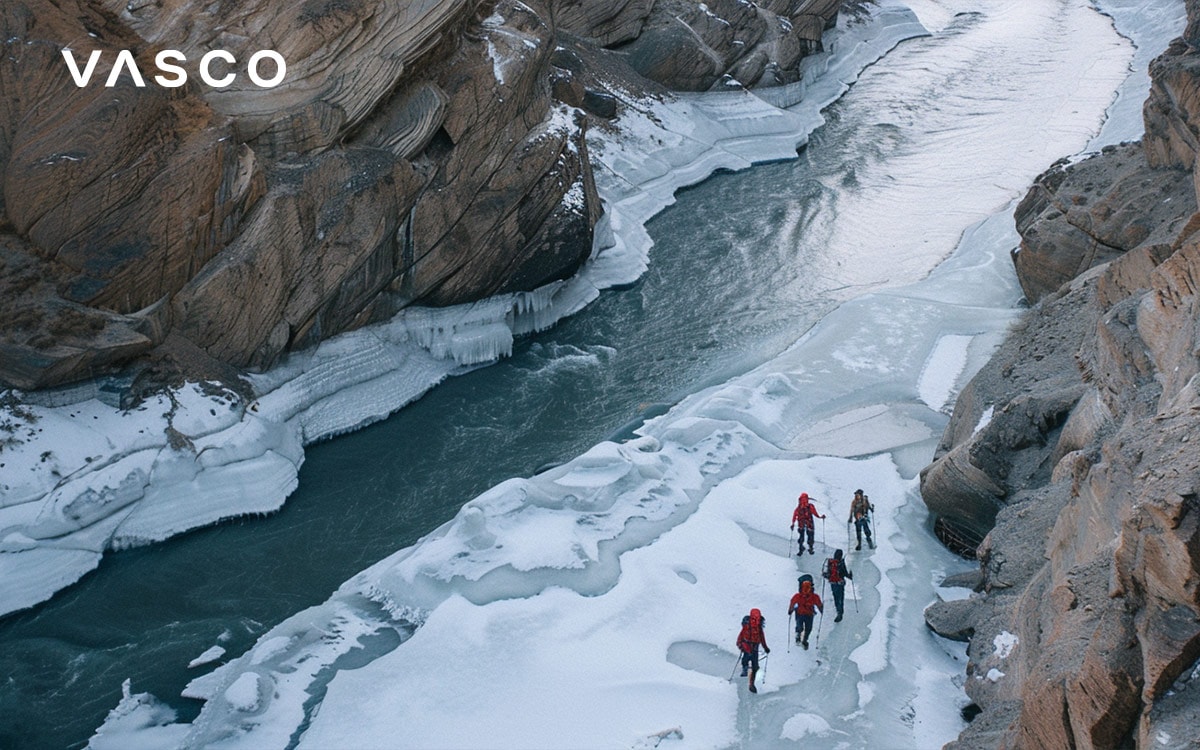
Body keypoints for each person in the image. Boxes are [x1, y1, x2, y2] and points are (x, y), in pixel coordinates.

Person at [737, 608, 770, 692]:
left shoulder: (750, 626)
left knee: (749, 661)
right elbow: (762, 638)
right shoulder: (753, 626)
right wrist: (765, 647)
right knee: (754, 665)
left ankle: (747, 674)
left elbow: (741, 636)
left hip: (749, 646)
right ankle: (751, 682)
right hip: (750, 646)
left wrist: (740, 644)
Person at [787, 577, 823, 649]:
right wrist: (821, 609)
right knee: (802, 627)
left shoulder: (802, 596)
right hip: (803, 613)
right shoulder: (812, 596)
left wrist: (790, 610)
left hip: (806, 613)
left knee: (807, 628)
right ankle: (799, 637)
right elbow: (819, 604)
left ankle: (803, 639)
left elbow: (793, 602)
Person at [822, 549, 853, 622]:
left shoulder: (830, 562)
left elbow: (828, 573)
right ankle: (840, 612)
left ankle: (838, 610)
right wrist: (850, 576)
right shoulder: (841, 563)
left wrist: (825, 575)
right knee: (840, 597)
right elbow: (845, 573)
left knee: (835, 597)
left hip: (833, 583)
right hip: (840, 583)